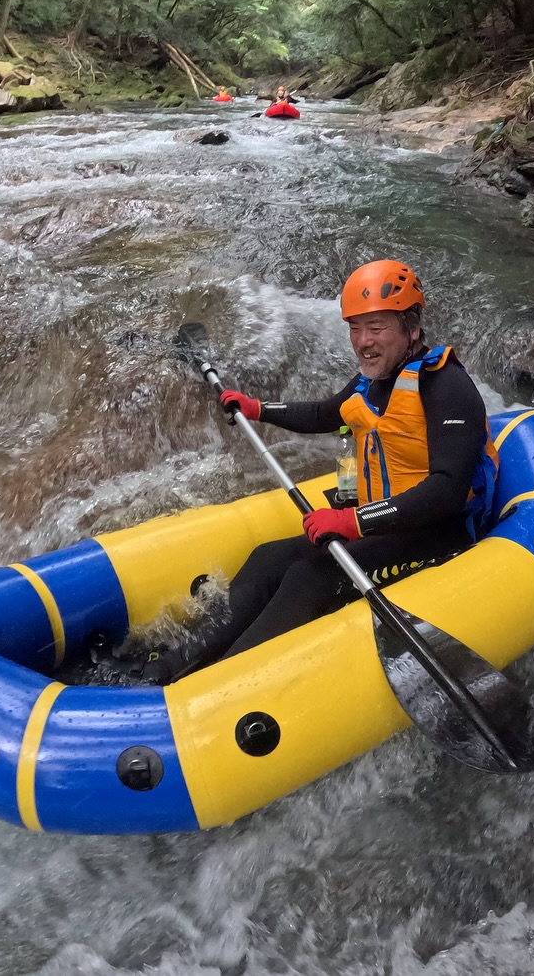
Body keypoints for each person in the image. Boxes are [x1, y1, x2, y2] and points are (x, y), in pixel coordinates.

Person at [145, 260, 497, 682]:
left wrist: (353, 521)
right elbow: (325, 413)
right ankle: (168, 667)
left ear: (412, 327)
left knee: (312, 574)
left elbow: (446, 491)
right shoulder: (375, 378)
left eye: (377, 327)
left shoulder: (447, 387)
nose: (363, 342)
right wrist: (257, 409)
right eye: (355, 328)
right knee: (269, 557)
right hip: (385, 521)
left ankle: (218, 682)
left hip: (441, 531)